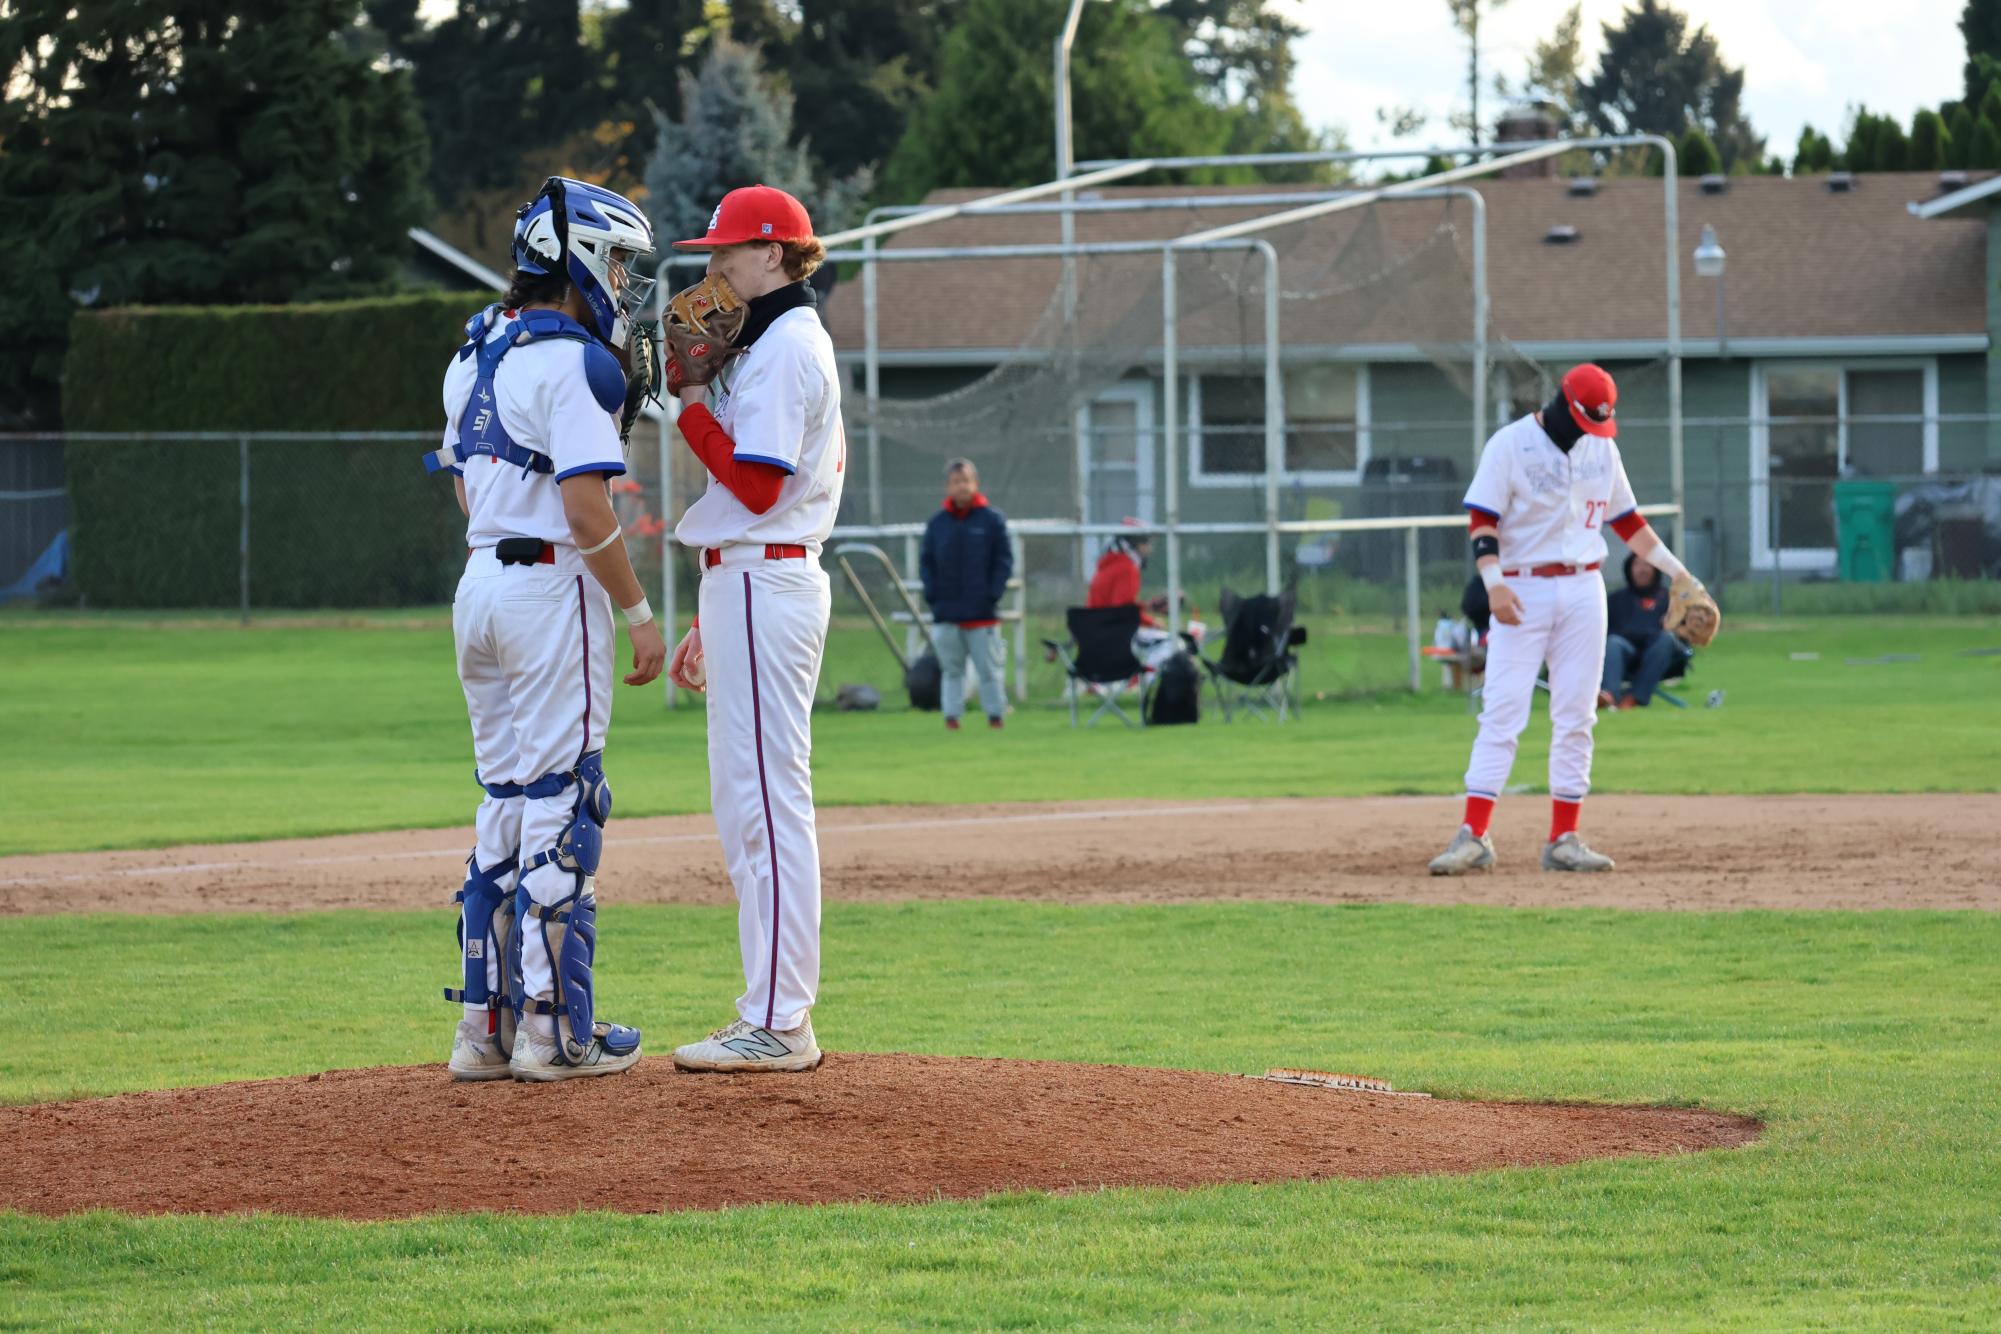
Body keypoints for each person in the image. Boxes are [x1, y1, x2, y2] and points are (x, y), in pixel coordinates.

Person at [429, 177, 665, 1082]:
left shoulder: (472, 351)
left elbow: (465, 484)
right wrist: (639, 614)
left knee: (506, 796)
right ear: (581, 262)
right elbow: (584, 504)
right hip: (547, 590)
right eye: (620, 263)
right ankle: (554, 1033)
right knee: (567, 799)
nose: (628, 284)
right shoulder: (572, 360)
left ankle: (481, 1032)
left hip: (478, 586)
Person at [663, 185, 844, 1073]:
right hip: (750, 581)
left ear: (772, 253)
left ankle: (778, 1020)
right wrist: (714, 611)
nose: (713, 270)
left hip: (765, 574)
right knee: (751, 807)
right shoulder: (774, 344)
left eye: (727, 253)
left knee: (767, 808)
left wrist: (691, 396)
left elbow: (760, 488)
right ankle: (773, 1011)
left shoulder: (783, 352)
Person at [1429, 363, 1714, 876]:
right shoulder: (1511, 445)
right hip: (1521, 586)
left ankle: (1564, 838)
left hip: (1585, 586)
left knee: (1578, 714)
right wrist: (1493, 584)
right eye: (1587, 420)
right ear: (1565, 404)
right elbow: (1482, 520)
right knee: (1503, 710)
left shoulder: (1601, 448)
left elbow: (1626, 520)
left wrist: (1678, 573)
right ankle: (1474, 834)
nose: (1593, 431)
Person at [920, 459, 1013, 730]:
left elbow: (1003, 561)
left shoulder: (992, 520)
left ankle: (995, 717)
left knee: (989, 670)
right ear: (948, 486)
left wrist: (992, 594)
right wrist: (934, 597)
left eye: (966, 481)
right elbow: (927, 563)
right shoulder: (937, 524)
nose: (962, 486)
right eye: (956, 481)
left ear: (976, 483)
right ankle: (952, 718)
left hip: (982, 613)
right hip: (947, 612)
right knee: (952, 670)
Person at [1601, 553, 1684, 709]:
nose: (1642, 569)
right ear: (1629, 569)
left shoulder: (1671, 600)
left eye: (1647, 565)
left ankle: (1633, 698)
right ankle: (1609, 696)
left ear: (1656, 569)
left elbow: (1684, 633)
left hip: (1658, 655)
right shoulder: (1615, 600)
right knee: (1613, 643)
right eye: (1637, 564)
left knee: (1666, 639)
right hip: (1624, 653)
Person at [1087, 524, 1162, 626]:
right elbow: (1124, 610)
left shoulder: (1112, 564)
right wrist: (1151, 622)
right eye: (1145, 543)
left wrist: (1146, 606)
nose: (1149, 550)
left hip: (1097, 627)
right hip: (1108, 631)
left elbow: (1118, 605)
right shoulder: (1126, 569)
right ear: (1131, 544)